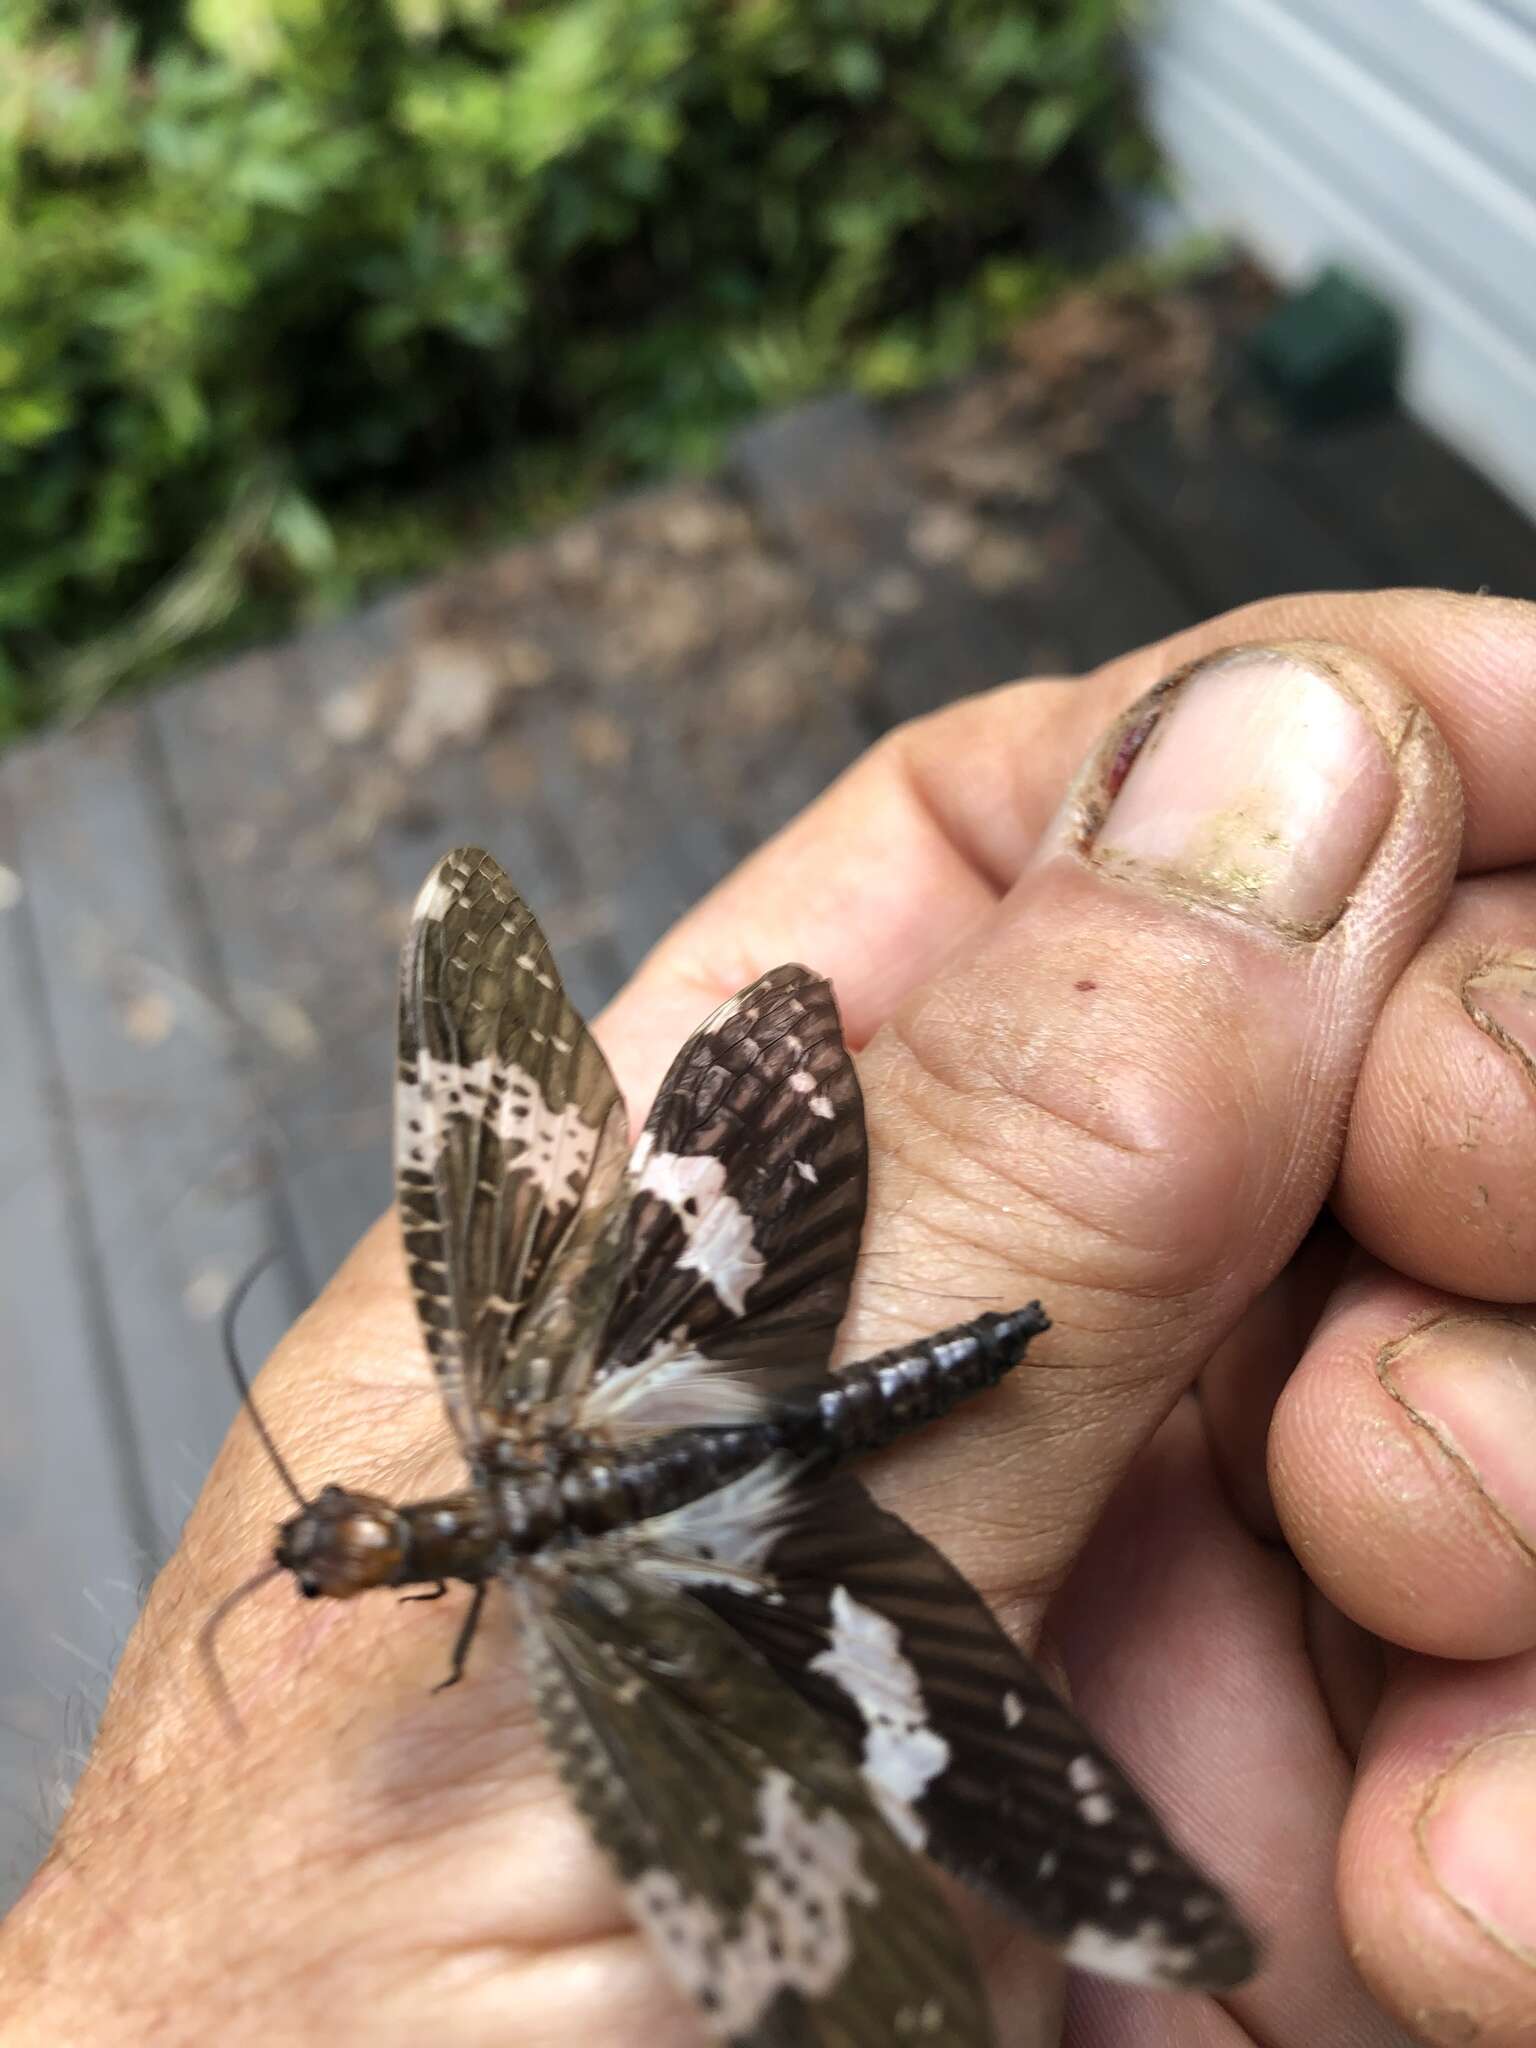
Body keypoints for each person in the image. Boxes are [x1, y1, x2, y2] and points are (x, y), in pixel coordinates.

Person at [3, 590, 1533, 2048]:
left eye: (360, 1537)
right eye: (365, 1540)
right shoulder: (519, 1427)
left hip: (760, 1475)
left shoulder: (540, 1594)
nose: (365, 1535)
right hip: (727, 1439)